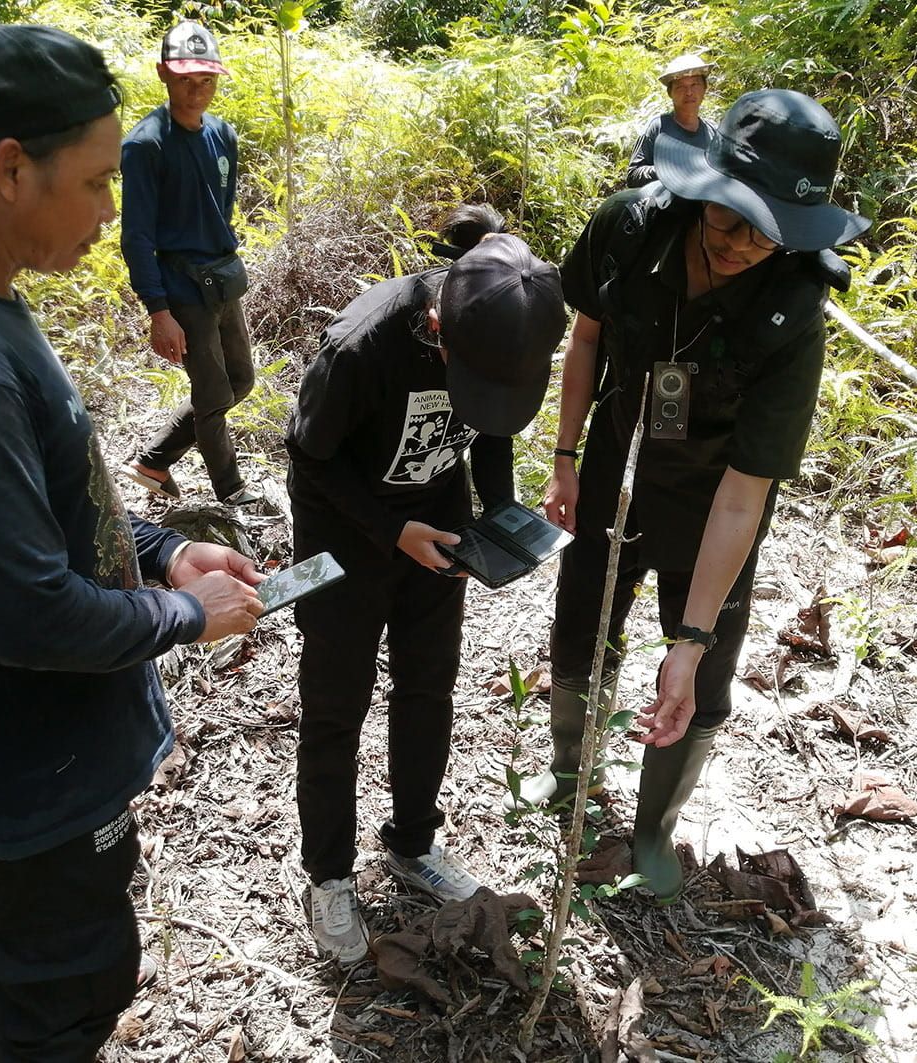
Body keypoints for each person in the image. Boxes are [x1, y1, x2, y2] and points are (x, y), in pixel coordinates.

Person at [0, 24, 266, 1060]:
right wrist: (185, 614)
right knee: (63, 1002)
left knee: (68, 976)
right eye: (91, 183)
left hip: (33, 760)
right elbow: (27, 612)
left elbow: (41, 508)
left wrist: (167, 551)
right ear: (6, 169)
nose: (108, 211)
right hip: (26, 777)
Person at [529, 89, 871, 904]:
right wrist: (566, 456)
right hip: (614, 457)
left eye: (767, 230)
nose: (741, 244)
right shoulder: (628, 225)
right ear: (701, 187)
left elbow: (745, 492)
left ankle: (651, 828)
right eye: (727, 219)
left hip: (713, 491)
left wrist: (686, 640)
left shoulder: (794, 308)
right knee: (582, 619)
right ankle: (568, 767)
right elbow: (586, 338)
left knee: (704, 667)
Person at [285, 205, 566, 965]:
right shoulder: (362, 343)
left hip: (436, 529)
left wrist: (500, 519)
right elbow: (308, 455)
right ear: (440, 325)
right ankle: (330, 877)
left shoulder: (505, 328)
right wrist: (387, 531)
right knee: (335, 708)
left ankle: (412, 841)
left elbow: (494, 429)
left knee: (427, 687)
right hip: (345, 538)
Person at [119, 20, 258, 506]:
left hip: (222, 279)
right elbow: (135, 236)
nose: (196, 91)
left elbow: (224, 206)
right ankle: (231, 490)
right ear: (163, 74)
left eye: (206, 80)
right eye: (184, 80)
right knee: (214, 396)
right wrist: (159, 310)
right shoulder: (146, 145)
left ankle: (152, 461)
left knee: (239, 380)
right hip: (182, 287)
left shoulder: (222, 135)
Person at [625, 53, 712, 189]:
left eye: (695, 85)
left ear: (705, 88)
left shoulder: (713, 133)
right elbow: (633, 176)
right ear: (670, 93)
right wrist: (670, 170)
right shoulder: (658, 128)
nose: (689, 92)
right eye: (681, 87)